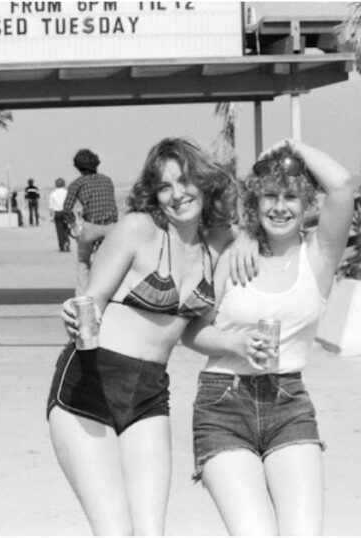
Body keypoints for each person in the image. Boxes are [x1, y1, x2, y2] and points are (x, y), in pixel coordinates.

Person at [49, 138, 239, 534]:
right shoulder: (137, 229)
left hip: (149, 393)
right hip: (89, 384)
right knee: (116, 532)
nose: (177, 194)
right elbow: (92, 301)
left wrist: (236, 344)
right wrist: (75, 312)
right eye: (165, 186)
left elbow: (194, 332)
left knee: (151, 533)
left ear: (204, 182)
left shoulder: (219, 243)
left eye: (185, 180)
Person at [181, 139, 355, 535]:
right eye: (270, 197)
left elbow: (342, 184)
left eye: (291, 197)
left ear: (308, 204)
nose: (280, 206)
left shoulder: (320, 257)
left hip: (288, 403)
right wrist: (234, 344)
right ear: (255, 204)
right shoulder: (232, 253)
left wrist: (291, 145)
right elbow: (192, 333)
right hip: (222, 404)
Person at [62, 149, 119, 295]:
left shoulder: (77, 183)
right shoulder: (107, 180)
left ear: (78, 167)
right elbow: (112, 204)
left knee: (83, 261)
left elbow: (67, 209)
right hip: (111, 227)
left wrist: (73, 226)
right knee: (111, 261)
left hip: (91, 227)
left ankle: (82, 296)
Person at [49, 177, 70, 252]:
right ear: (64, 184)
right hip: (66, 212)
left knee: (59, 230)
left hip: (57, 213)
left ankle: (61, 245)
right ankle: (67, 242)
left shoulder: (53, 193)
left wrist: (51, 216)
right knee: (66, 229)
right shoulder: (67, 192)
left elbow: (51, 207)